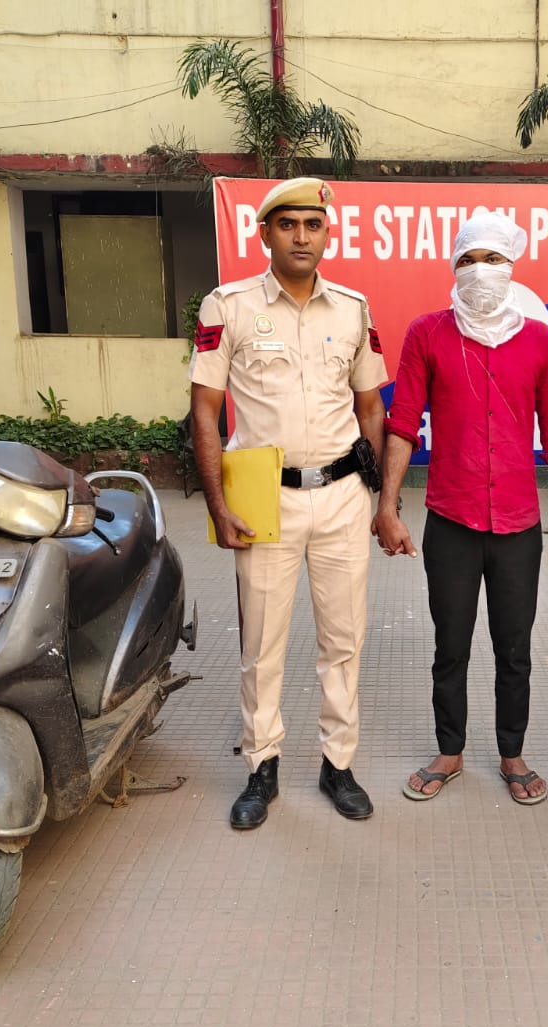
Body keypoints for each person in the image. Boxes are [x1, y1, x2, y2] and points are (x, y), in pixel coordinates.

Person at [188, 177, 389, 830]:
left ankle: (338, 765)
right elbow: (205, 411)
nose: (302, 236)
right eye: (288, 224)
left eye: (313, 224)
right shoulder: (228, 306)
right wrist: (218, 506)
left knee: (344, 642)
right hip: (262, 500)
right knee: (262, 644)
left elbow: (370, 408)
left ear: (327, 233)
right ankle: (261, 767)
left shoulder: (354, 310)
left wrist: (372, 495)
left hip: (340, 498)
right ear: (265, 233)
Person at [376, 212, 548, 804]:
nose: (481, 270)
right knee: (450, 645)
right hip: (451, 520)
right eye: (468, 260)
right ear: (453, 268)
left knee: (515, 648)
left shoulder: (538, 340)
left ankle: (512, 754)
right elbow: (402, 423)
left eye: (493, 259)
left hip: (518, 524)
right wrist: (388, 506)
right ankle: (450, 750)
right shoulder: (427, 334)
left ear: (511, 266)